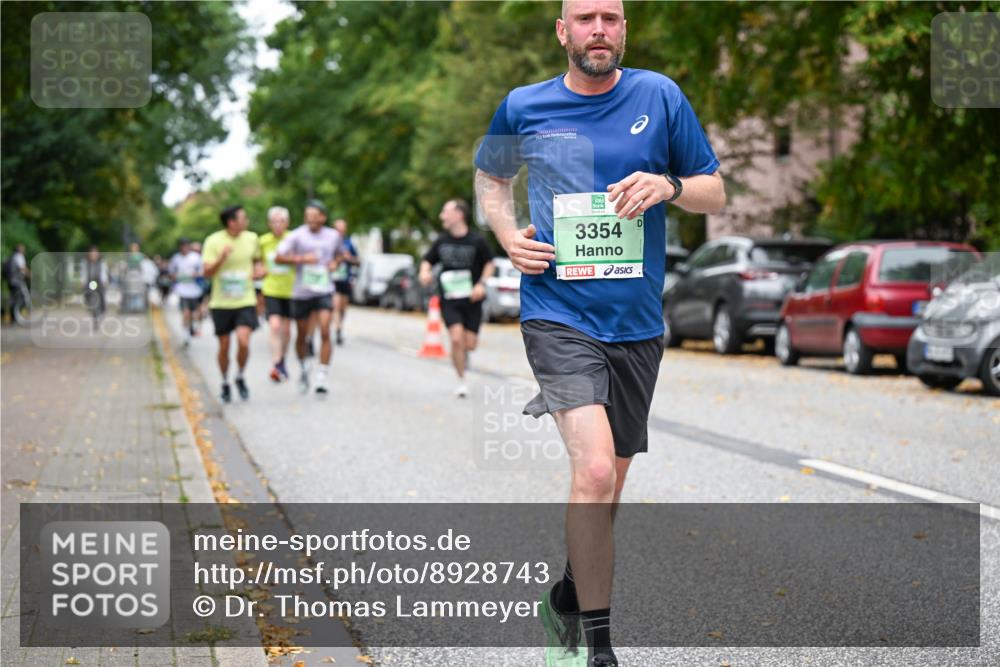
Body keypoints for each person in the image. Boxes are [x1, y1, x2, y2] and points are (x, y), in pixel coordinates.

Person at [474, 2, 726, 665]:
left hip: (637, 323)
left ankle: (566, 591)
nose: (599, 30)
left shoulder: (660, 96)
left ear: (624, 29)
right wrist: (508, 236)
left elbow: (715, 193)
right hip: (557, 312)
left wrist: (669, 185)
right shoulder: (523, 104)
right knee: (590, 467)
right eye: (584, 18)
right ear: (562, 32)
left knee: (606, 484)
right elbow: (492, 179)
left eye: (611, 18)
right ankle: (600, 647)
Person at [418, 199, 495, 398]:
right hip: (449, 299)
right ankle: (461, 381)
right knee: (455, 338)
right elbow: (427, 260)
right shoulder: (441, 241)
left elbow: (490, 264)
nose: (441, 216)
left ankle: (463, 354)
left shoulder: (477, 240)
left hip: (472, 300)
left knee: (469, 344)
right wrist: (424, 273)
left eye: (445, 212)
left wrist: (481, 284)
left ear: (459, 215)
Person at [276, 200, 344, 396]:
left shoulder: (333, 236)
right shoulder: (297, 235)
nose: (312, 220)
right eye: (308, 217)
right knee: (302, 335)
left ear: (323, 217)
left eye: (315, 216)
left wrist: (335, 264)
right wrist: (301, 259)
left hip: (324, 289)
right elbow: (279, 257)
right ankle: (305, 366)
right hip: (302, 292)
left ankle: (322, 375)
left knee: (324, 330)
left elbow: (340, 255)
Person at [202, 205, 264, 403]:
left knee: (244, 341)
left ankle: (240, 376)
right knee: (224, 346)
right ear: (231, 222)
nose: (247, 221)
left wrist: (259, 271)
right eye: (243, 218)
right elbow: (207, 272)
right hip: (221, 302)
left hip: (245, 299)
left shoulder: (252, 238)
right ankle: (225, 382)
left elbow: (258, 261)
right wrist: (221, 257)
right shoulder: (213, 241)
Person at [259, 206, 295, 382]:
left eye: (281, 221)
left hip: (291, 289)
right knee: (274, 326)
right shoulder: (263, 241)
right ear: (269, 224)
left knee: (287, 329)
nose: (277, 225)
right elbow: (257, 262)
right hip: (271, 289)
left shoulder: (293, 239)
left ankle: (282, 360)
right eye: (274, 221)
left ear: (287, 223)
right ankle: (276, 362)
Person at [168, 238, 204, 347]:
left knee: (196, 313)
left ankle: (193, 327)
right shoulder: (176, 258)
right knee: (186, 313)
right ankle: (186, 336)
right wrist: (176, 277)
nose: (184, 248)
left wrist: (195, 275)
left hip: (195, 290)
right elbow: (171, 273)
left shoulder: (196, 257)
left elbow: (203, 271)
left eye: (186, 245)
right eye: (182, 246)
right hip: (182, 291)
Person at [331, 218, 360, 345]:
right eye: (338, 230)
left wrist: (349, 258)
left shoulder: (349, 243)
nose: (340, 232)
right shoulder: (329, 242)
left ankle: (340, 326)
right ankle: (338, 330)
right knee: (336, 306)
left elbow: (357, 261)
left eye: (342, 230)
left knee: (343, 308)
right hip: (333, 279)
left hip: (346, 279)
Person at [81, 246, 108, 323]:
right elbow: (84, 273)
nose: (93, 255)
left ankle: (102, 309)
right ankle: (90, 306)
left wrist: (104, 281)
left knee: (101, 294)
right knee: (87, 294)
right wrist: (83, 281)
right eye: (92, 253)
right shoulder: (85, 262)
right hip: (90, 282)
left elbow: (104, 273)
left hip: (99, 282)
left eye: (95, 253)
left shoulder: (102, 262)